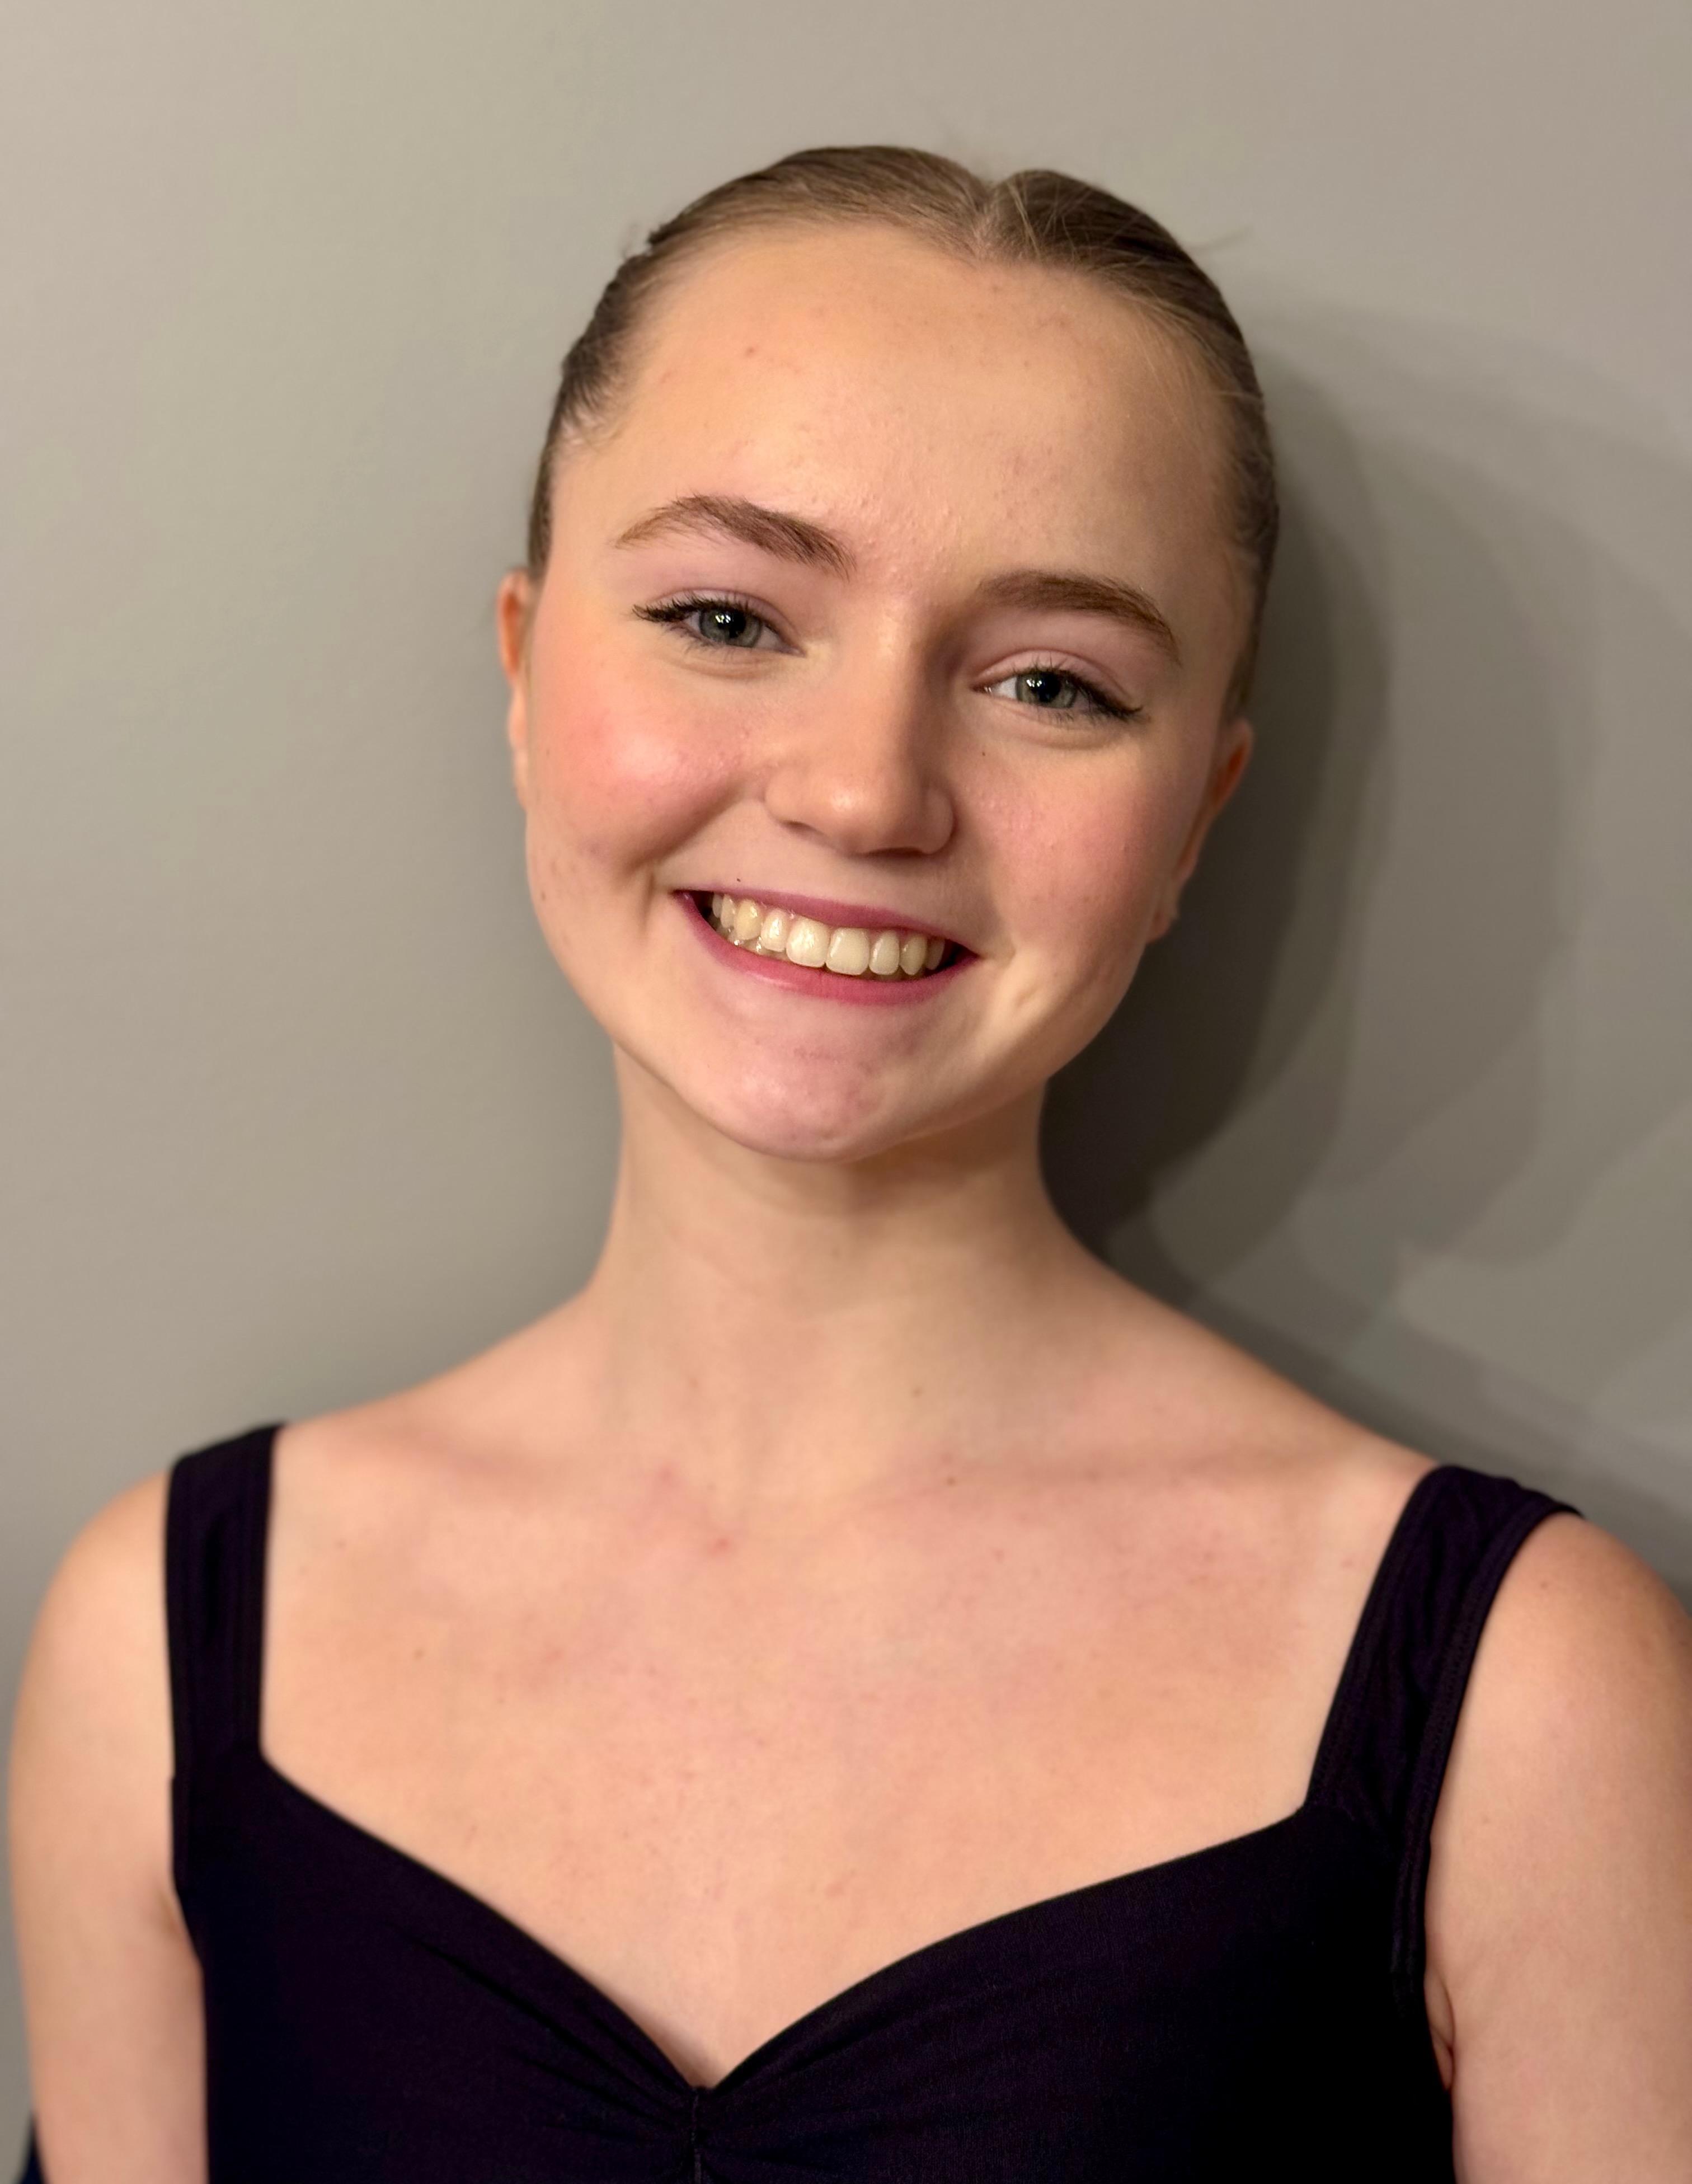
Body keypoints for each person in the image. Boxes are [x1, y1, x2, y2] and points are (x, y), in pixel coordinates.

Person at [10, 146, 1691, 2183]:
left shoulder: (1531, 1697)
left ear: (1196, 820)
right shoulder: (156, 1642)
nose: (867, 790)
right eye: (728, 617)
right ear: (526, 676)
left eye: (1051, 684)